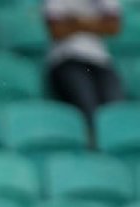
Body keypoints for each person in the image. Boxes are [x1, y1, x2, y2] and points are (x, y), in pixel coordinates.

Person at [44, 0, 125, 147]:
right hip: (66, 59)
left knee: (116, 111)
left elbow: (114, 27)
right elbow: (57, 30)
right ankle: (94, 150)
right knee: (88, 108)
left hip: (101, 61)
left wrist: (75, 22)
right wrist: (96, 23)